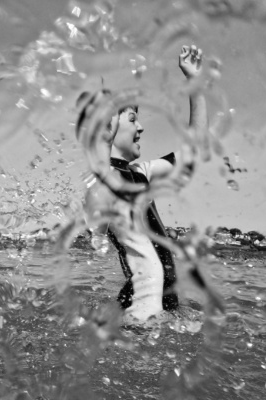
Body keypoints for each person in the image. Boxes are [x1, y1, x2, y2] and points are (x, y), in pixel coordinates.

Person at [75, 45, 207, 321]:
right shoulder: (102, 182)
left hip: (162, 308)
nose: (141, 127)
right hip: (144, 312)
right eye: (133, 119)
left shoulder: (142, 172)